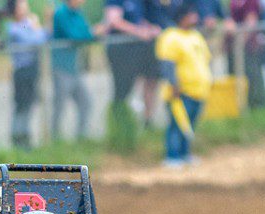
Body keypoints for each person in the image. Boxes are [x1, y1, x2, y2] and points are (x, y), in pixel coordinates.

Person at [156, 2, 211, 167]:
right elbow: (167, 64)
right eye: (191, 14)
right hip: (180, 91)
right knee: (177, 124)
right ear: (182, 17)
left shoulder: (196, 36)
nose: (195, 17)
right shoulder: (171, 36)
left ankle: (185, 153)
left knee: (189, 125)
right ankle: (172, 156)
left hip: (198, 90)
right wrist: (174, 84)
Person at [103, 0, 163, 123]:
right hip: (121, 49)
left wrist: (150, 29)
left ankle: (145, 121)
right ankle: (118, 123)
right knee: (123, 89)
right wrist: (138, 32)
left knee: (149, 80)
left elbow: (138, 20)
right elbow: (114, 21)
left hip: (138, 48)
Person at [51, 0, 101, 140]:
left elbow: (84, 31)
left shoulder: (78, 13)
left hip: (75, 68)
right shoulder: (60, 13)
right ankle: (55, 139)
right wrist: (92, 34)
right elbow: (75, 36)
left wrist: (90, 34)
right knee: (60, 106)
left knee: (86, 102)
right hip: (62, 68)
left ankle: (81, 136)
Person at [8, 0, 49, 148]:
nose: (26, 8)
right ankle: (18, 139)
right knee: (22, 105)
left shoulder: (26, 24)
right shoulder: (13, 28)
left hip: (31, 70)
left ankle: (24, 137)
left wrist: (44, 23)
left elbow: (45, 36)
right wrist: (37, 26)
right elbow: (36, 40)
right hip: (22, 71)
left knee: (29, 105)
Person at [226, 0, 265, 109]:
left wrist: (240, 43)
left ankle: (254, 105)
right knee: (233, 76)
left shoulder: (250, 2)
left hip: (249, 48)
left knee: (251, 77)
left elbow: (251, 22)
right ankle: (235, 105)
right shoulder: (233, 2)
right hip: (233, 48)